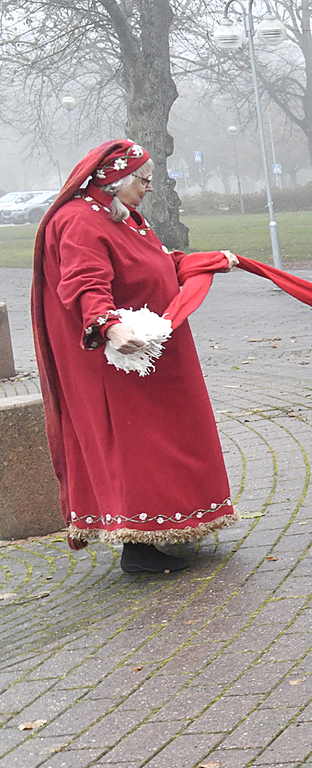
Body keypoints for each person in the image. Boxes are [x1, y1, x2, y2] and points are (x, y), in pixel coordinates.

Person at [31, 140, 242, 574]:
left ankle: (174, 522)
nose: (149, 187)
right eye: (143, 180)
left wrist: (202, 263)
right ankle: (138, 546)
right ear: (114, 180)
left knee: (169, 439)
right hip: (120, 362)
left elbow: (153, 262)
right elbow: (84, 281)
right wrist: (109, 325)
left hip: (152, 357)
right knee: (136, 447)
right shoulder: (79, 221)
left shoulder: (117, 214)